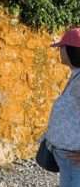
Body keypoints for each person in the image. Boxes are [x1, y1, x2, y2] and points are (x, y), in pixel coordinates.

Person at [44, 28, 80, 186]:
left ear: (74, 50)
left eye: (62, 46)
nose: (59, 49)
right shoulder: (77, 75)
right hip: (68, 158)